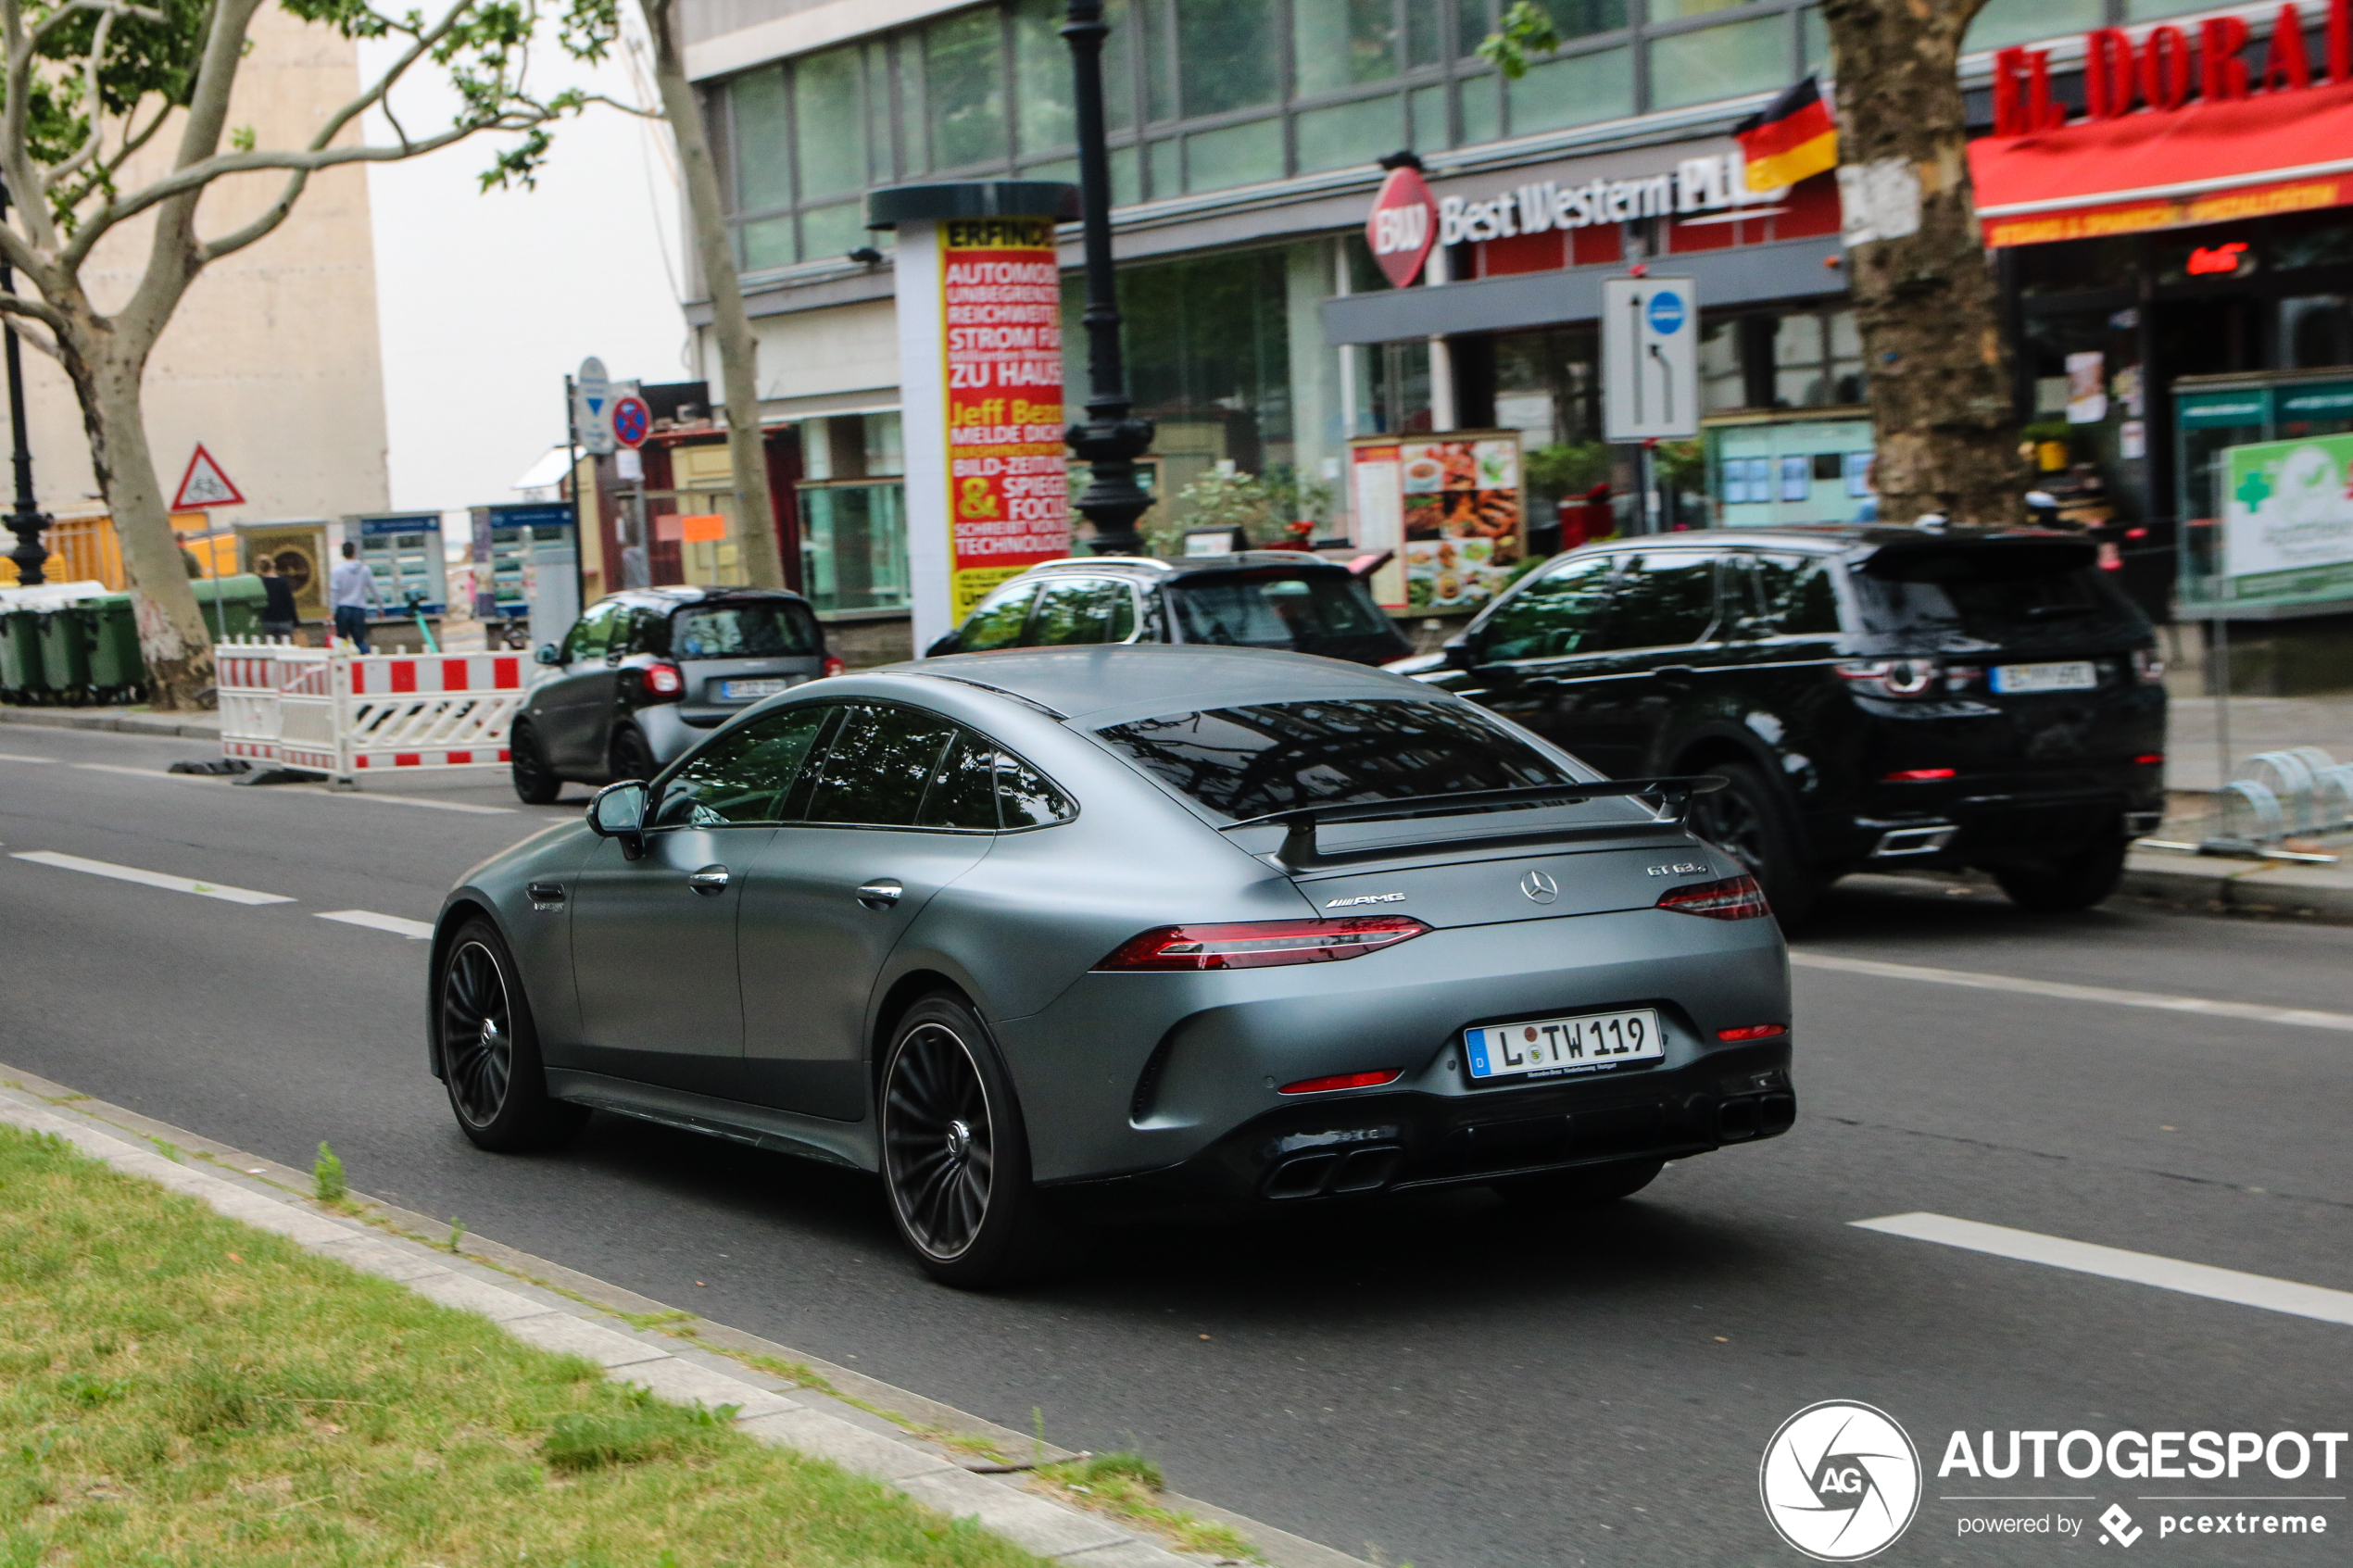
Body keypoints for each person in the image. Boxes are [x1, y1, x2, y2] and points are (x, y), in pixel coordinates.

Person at [328, 539, 383, 651]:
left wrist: (332, 612)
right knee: (359, 641)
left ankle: (342, 666)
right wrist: (380, 607)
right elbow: (374, 589)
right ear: (354, 552)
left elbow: (334, 592)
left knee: (341, 642)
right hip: (359, 609)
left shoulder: (337, 571)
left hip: (342, 609)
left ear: (342, 554)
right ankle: (366, 661)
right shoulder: (364, 570)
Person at [256, 556, 298, 642]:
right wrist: (296, 622)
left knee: (270, 650)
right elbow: (290, 602)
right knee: (285, 650)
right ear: (273, 567)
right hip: (284, 621)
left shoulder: (260, 582)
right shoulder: (282, 582)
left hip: (267, 621)